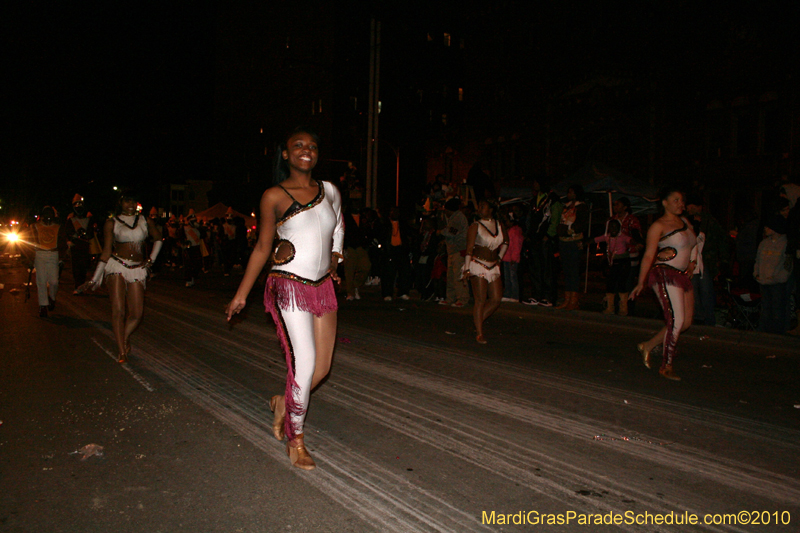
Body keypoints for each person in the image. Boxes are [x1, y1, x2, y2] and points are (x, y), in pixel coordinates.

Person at [225, 127, 343, 471]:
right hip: (288, 283)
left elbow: (338, 228)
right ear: (286, 155)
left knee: (321, 368)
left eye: (312, 146)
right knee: (304, 364)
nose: (306, 150)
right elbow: (263, 246)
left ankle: (283, 403)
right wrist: (241, 294)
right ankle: (296, 439)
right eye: (298, 146)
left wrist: (336, 258)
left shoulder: (331, 191)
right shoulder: (273, 196)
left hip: (322, 285)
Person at [83, 192, 163, 362]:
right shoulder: (112, 222)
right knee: (118, 310)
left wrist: (151, 260)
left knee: (136, 314)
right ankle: (121, 350)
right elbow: (106, 251)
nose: (131, 205)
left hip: (138, 268)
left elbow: (158, 238)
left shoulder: (145, 221)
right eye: (127, 202)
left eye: (133, 201)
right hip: (117, 265)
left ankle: (124, 337)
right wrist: (94, 278)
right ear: (120, 203)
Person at [630, 187, 698, 381]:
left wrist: (692, 262)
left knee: (685, 322)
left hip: (682, 275)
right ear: (665, 203)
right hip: (665, 274)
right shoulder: (658, 226)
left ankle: (648, 345)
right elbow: (649, 255)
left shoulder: (684, 222)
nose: (680, 204)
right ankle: (666, 365)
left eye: (681, 200)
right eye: (675, 200)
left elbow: (694, 243)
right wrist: (641, 282)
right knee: (676, 321)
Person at [463, 200, 508, 343]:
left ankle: (478, 321)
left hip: (493, 265)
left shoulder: (499, 225)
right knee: (480, 299)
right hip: (477, 264)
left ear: (491, 210)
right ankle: (479, 333)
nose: (480, 208)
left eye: (483, 206)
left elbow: (506, 242)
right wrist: (467, 268)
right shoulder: (475, 226)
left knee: (496, 299)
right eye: (480, 206)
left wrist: (499, 258)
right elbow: (469, 248)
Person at [685, 194, 727, 326]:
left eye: (692, 205)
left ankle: (708, 319)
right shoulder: (685, 220)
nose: (689, 208)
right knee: (694, 291)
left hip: (706, 262)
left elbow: (721, 240)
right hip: (691, 261)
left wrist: (723, 261)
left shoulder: (709, 221)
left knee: (706, 291)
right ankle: (698, 317)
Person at [523, 178, 562, 307]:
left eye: (536, 182)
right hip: (534, 239)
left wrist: (549, 235)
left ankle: (548, 297)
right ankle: (536, 295)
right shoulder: (534, 200)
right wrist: (528, 234)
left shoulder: (553, 199)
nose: (534, 184)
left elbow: (555, 218)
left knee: (547, 269)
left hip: (545, 239)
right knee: (535, 268)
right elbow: (529, 218)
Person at [754, 218, 792, 334]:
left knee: (777, 309)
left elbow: (787, 266)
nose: (765, 229)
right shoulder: (764, 243)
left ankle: (777, 333)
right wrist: (756, 274)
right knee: (765, 308)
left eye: (768, 227)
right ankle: (764, 332)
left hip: (777, 283)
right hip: (763, 282)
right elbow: (758, 261)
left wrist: (776, 278)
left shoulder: (785, 244)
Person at [555, 184, 589, 310]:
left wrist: (568, 230)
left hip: (574, 241)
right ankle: (567, 299)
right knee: (567, 271)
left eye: (571, 192)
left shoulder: (582, 207)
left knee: (573, 271)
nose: (569, 194)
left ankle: (574, 300)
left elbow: (581, 225)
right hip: (564, 241)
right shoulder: (566, 206)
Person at [30, 206, 67, 317]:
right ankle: (43, 305)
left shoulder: (58, 227)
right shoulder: (35, 226)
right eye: (46, 215)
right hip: (39, 254)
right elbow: (29, 241)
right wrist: (29, 258)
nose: (48, 217)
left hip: (53, 254)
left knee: (54, 281)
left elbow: (62, 242)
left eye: (50, 215)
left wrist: (62, 256)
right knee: (41, 281)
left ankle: (52, 297)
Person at [594, 219, 631, 315]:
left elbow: (631, 240)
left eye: (615, 227)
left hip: (623, 262)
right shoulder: (607, 237)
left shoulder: (622, 237)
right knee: (610, 283)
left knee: (622, 284)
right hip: (612, 262)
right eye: (611, 227)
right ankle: (610, 307)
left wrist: (638, 244)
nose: (613, 229)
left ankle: (623, 308)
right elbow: (595, 239)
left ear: (619, 228)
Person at [440, 198, 469, 307]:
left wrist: (441, 232)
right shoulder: (455, 217)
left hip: (459, 250)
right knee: (451, 276)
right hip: (453, 251)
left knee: (458, 276)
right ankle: (451, 298)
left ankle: (462, 299)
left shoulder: (457, 218)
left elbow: (452, 232)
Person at [66, 194, 97, 292]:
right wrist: (69, 240)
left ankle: (81, 285)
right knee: (76, 266)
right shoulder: (71, 218)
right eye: (76, 204)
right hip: (75, 244)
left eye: (80, 204)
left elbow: (92, 231)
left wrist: (87, 235)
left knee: (83, 266)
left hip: (85, 244)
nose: (78, 206)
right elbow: (67, 231)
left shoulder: (88, 217)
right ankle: (77, 285)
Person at [501, 208, 523, 302]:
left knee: (512, 277)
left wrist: (514, 257)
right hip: (506, 257)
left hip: (511, 258)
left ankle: (514, 295)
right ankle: (508, 294)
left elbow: (516, 246)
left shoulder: (515, 231)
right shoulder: (509, 230)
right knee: (507, 278)